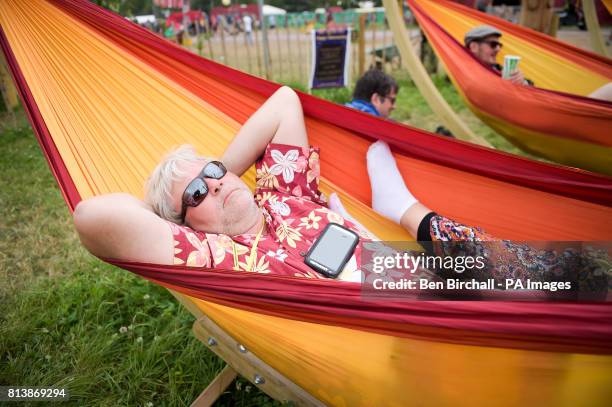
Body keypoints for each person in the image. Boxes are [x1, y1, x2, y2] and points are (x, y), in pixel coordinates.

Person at [73, 86, 607, 291]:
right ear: (183, 226)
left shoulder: (280, 195)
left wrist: (216, 172)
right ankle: (406, 210)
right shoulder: (214, 255)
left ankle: (408, 212)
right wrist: (173, 216)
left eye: (215, 176)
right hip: (376, 320)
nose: (212, 190)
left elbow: (284, 102)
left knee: (576, 279)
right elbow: (94, 218)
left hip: (415, 275)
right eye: (196, 197)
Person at [464, 25, 531, 86]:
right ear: (474, 47)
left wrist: (522, 82)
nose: (498, 49)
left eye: (499, 45)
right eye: (493, 44)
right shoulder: (462, 72)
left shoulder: (499, 69)